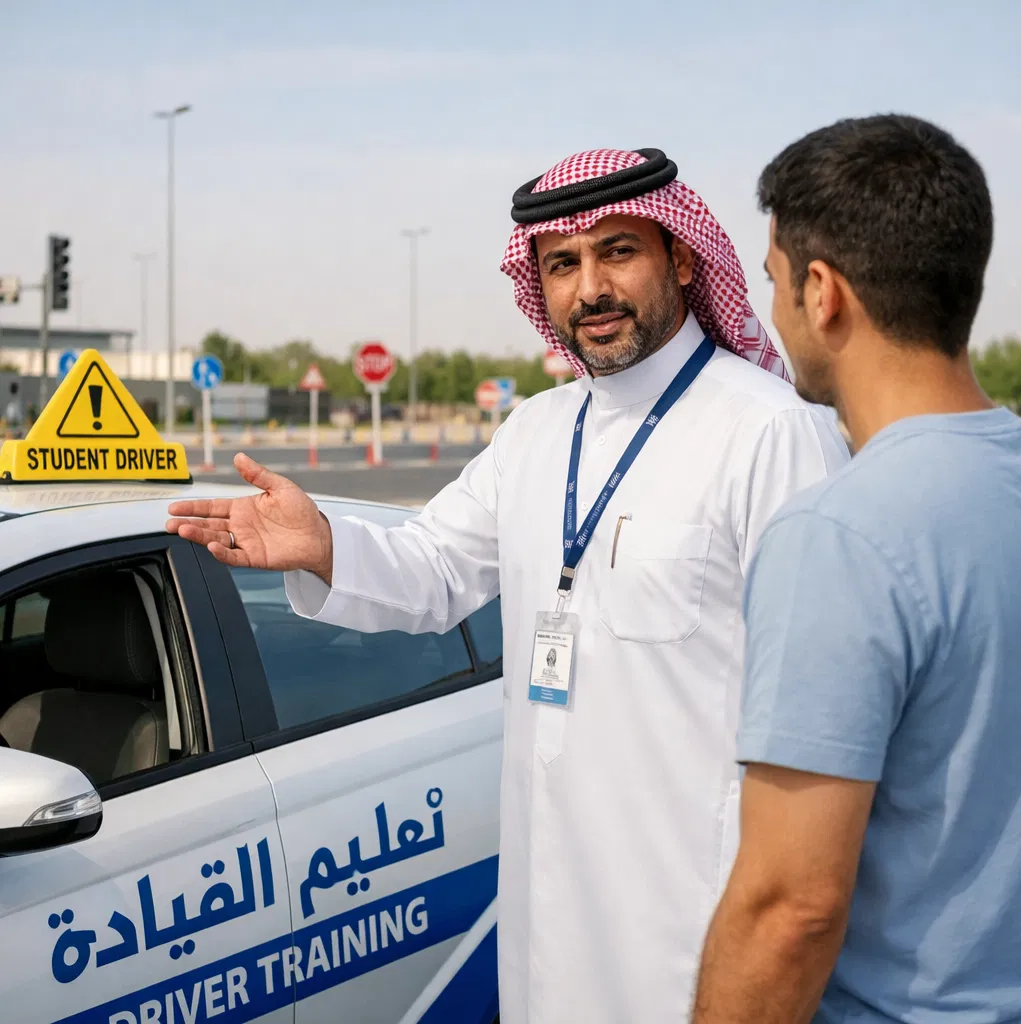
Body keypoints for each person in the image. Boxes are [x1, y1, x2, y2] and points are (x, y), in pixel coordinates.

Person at [167, 147, 849, 1023]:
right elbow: (434, 570)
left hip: (696, 930)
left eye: (617, 252)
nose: (589, 289)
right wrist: (324, 544)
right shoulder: (535, 431)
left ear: (681, 256)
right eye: (561, 265)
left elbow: (818, 723)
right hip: (551, 928)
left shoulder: (767, 433)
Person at [693, 114, 1021, 1023]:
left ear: (824, 293)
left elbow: (790, 909)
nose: (771, 311)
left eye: (774, 282)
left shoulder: (839, 536)